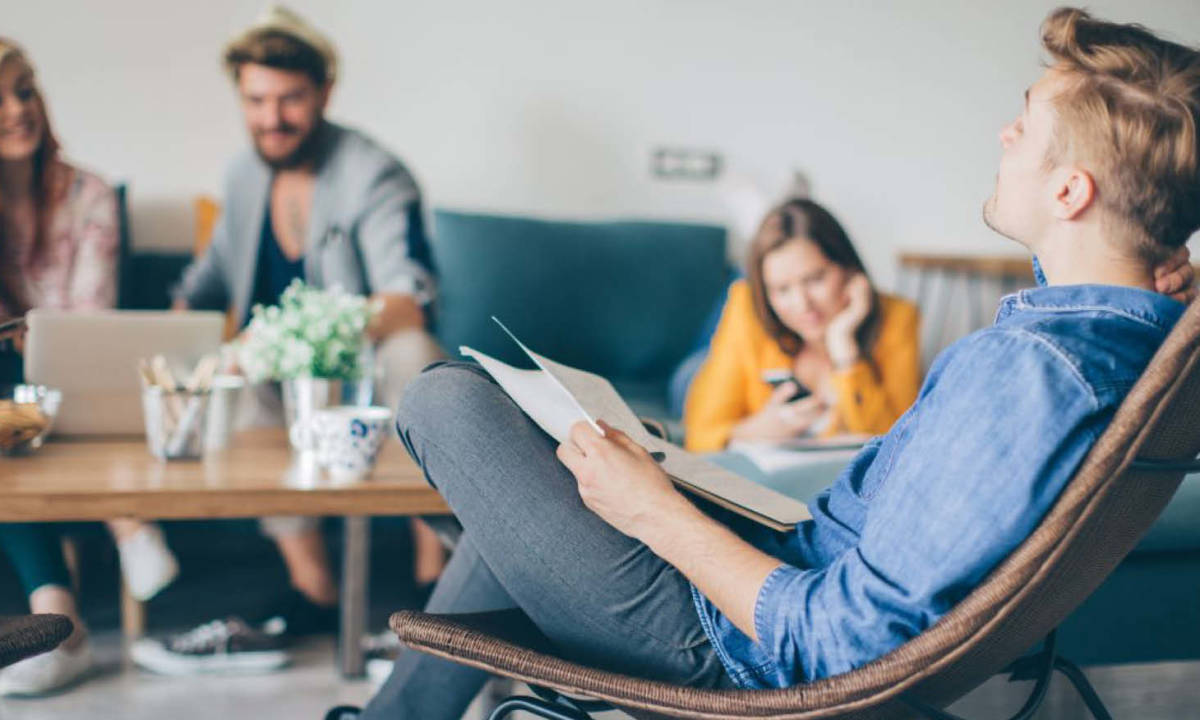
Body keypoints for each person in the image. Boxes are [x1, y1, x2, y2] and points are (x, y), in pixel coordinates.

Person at [336, 8, 1198, 719]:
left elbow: (840, 642)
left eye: (1028, 124)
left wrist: (654, 515)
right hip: (780, 573)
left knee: (447, 399)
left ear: (1070, 192)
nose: (1004, 132)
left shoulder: (1030, 373)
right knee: (551, 459)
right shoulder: (1134, 336)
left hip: (741, 657)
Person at [134, 6, 445, 674]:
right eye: (256, 100)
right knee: (233, 381)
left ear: (324, 92)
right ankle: (313, 594)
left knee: (417, 360)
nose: (271, 118)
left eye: (290, 99)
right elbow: (211, 275)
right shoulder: (244, 176)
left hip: (363, 363)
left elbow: (407, 298)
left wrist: (287, 339)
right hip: (275, 376)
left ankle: (434, 592)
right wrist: (171, 323)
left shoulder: (375, 173)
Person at [0, 37, 118, 696]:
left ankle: (56, 623)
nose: (17, 110)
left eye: (23, 89)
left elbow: (87, 330)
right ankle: (59, 618)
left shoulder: (90, 195)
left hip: (73, 396)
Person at [684, 198, 921, 452]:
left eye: (815, 279)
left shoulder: (898, 318)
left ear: (848, 268)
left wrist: (844, 349)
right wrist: (758, 429)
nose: (802, 304)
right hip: (705, 371)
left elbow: (895, 448)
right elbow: (698, 436)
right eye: (782, 289)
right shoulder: (746, 307)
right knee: (686, 378)